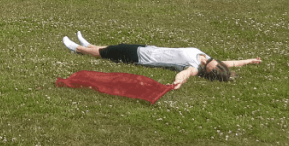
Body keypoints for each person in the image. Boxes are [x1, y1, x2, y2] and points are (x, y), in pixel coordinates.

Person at [62, 31, 261, 89]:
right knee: (115, 48)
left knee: (111, 53)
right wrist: (250, 60)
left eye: (213, 68)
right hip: (149, 49)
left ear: (209, 71)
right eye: (217, 64)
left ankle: (77, 48)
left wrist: (178, 83)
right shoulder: (207, 59)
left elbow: (184, 74)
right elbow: (231, 64)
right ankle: (89, 45)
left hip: (142, 57)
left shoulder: (194, 67)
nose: (214, 63)